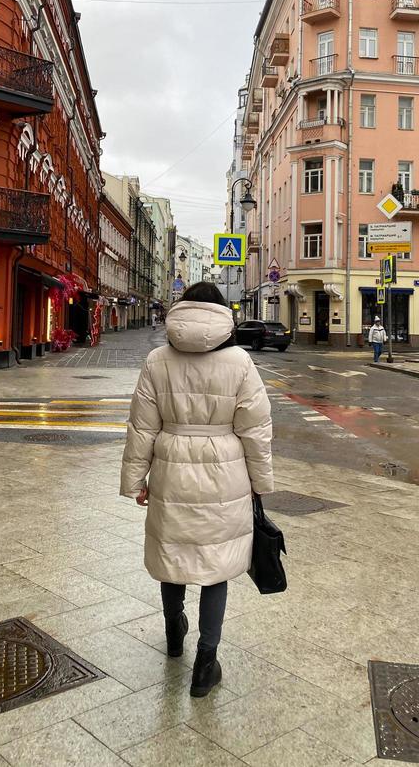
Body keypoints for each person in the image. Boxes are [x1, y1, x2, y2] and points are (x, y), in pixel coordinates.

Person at [120, 281, 273, 698]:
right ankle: (206, 663)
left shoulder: (157, 360)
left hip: (171, 468)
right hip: (226, 472)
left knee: (174, 554)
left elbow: (142, 427)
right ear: (223, 314)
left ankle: (174, 632)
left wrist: (136, 480)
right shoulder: (240, 362)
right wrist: (260, 484)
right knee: (215, 567)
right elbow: (255, 432)